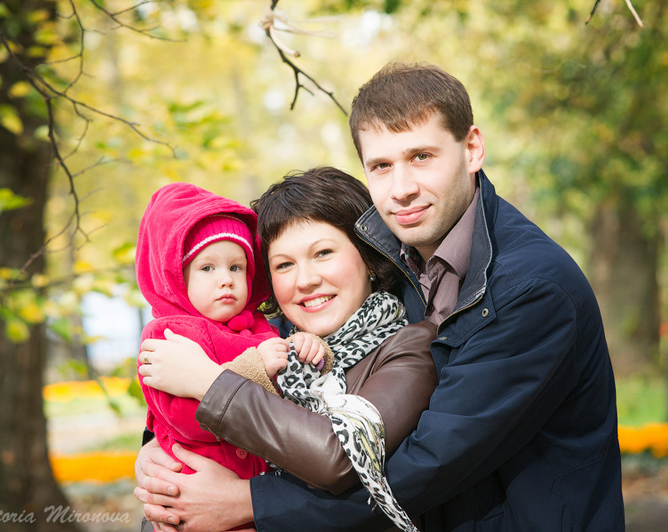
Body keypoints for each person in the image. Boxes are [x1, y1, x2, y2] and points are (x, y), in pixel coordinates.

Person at [136, 62, 625, 532]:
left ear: (472, 148)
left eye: (421, 157)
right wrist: (162, 450)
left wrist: (246, 502)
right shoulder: (398, 259)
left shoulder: (529, 289)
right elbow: (251, 352)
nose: (402, 188)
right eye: (382, 166)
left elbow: (427, 464)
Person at [137, 168, 438, 531]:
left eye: (323, 253)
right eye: (283, 265)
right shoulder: (270, 342)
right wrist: (158, 462)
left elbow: (340, 457)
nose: (305, 280)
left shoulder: (410, 346)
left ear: (368, 256)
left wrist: (210, 382)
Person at [134, 182, 330, 528]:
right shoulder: (168, 335)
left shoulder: (259, 326)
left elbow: (290, 399)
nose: (226, 279)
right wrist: (250, 369)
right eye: (207, 268)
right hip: (197, 490)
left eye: (236, 267)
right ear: (176, 278)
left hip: (255, 495)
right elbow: (184, 419)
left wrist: (310, 349)